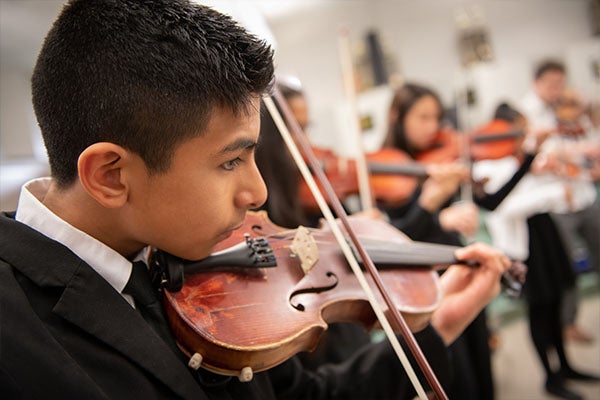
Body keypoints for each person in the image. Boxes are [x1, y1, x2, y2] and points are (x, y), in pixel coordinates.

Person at [0, 1, 511, 399]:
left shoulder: (183, 256)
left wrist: (439, 324)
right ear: (111, 176)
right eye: (230, 161)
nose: (259, 193)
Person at [381, 84, 551, 400]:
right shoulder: (386, 168)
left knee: (483, 369)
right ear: (396, 117)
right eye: (423, 117)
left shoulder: (447, 155)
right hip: (427, 291)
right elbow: (390, 238)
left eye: (437, 117)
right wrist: (433, 211)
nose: (433, 127)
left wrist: (527, 157)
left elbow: (492, 201)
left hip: (463, 270)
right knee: (457, 381)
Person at [474, 101, 600, 400]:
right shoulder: (488, 162)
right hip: (522, 243)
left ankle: (566, 366)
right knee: (538, 311)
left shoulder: (519, 157)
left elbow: (531, 187)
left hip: (544, 232)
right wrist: (551, 191)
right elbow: (504, 206)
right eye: (517, 129)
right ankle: (550, 375)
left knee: (556, 302)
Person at [519, 59, 599, 344]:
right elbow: (537, 156)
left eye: (560, 84)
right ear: (536, 84)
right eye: (551, 85)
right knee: (566, 268)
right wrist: (577, 150)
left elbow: (587, 129)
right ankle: (568, 322)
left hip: (583, 193)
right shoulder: (525, 114)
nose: (557, 91)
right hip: (556, 203)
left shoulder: (567, 106)